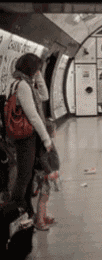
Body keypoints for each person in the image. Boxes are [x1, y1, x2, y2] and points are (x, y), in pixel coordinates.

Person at [8, 53, 57, 230]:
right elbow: (33, 116)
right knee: (24, 177)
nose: (38, 70)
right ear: (30, 67)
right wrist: (46, 139)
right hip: (26, 137)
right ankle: (17, 214)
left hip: (29, 136)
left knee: (29, 177)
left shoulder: (27, 84)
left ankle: (29, 213)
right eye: (37, 68)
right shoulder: (22, 86)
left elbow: (44, 96)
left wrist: (39, 77)